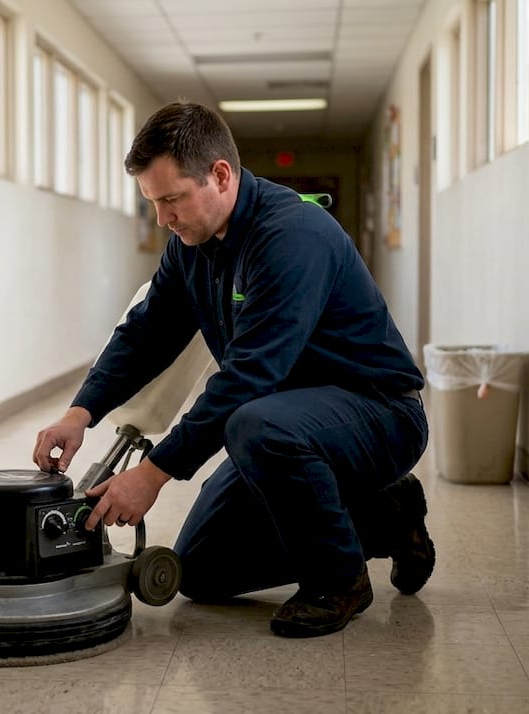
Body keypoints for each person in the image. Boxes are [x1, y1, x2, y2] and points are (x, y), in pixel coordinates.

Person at [33, 102, 433, 638]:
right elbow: (145, 333)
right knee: (201, 569)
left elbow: (250, 375)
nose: (163, 218)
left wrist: (153, 475)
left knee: (252, 422)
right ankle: (385, 517)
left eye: (171, 199)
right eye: (153, 202)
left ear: (220, 175)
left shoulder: (293, 236)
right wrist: (79, 413)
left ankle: (338, 581)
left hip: (377, 412)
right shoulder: (191, 246)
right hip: (286, 423)